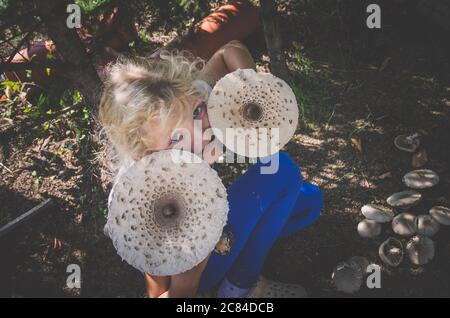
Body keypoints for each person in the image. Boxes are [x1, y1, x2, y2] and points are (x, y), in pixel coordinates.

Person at [98, 40, 323, 298]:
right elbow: (157, 292)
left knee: (310, 203)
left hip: (215, 219)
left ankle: (245, 249)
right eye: (175, 138)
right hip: (200, 263)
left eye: (196, 112)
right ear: (145, 156)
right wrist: (187, 284)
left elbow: (229, 51)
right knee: (283, 173)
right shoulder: (139, 199)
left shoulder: (183, 97)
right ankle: (239, 288)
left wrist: (253, 91)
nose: (202, 135)